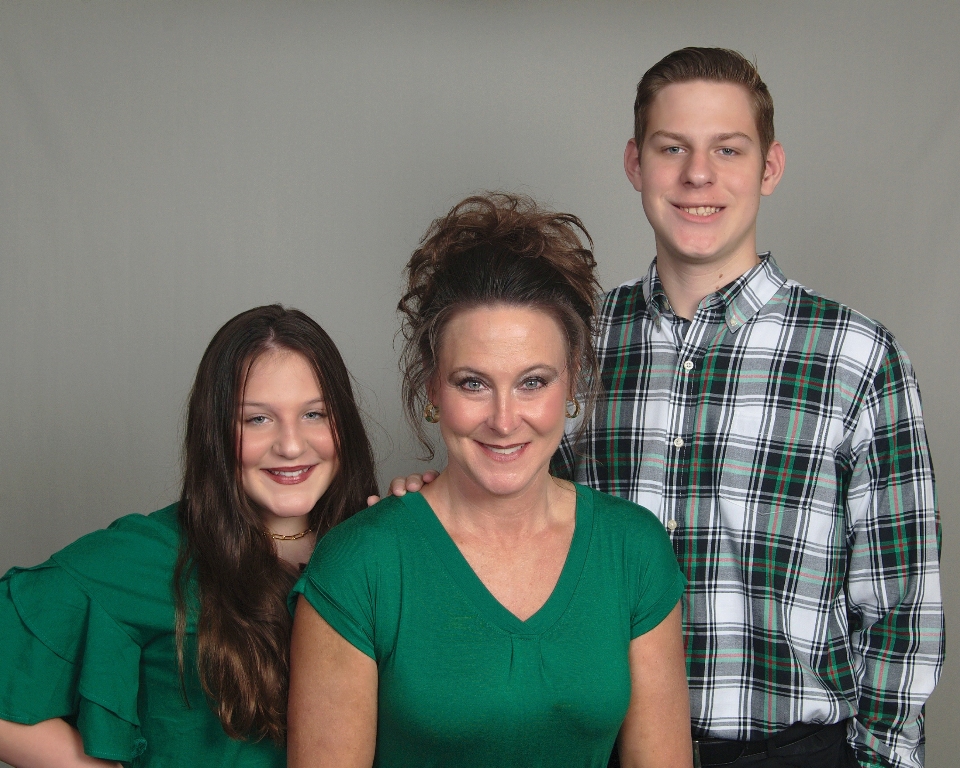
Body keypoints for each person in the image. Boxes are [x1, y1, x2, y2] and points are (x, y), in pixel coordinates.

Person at [393, 49, 944, 768]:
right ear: (635, 163)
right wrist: (436, 501)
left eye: (728, 149)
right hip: (606, 743)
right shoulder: (574, 342)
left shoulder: (857, 357)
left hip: (791, 750)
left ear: (770, 166)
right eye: (672, 148)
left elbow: (903, 605)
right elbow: (515, 507)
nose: (698, 176)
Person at [287, 193, 692, 768]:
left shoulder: (633, 549)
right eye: (473, 383)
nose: (504, 421)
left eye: (533, 382)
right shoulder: (360, 564)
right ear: (432, 386)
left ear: (573, 380)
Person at [0, 304, 378, 767]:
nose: (292, 445)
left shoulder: (378, 544)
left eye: (314, 414)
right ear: (214, 431)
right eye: (257, 419)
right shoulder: (151, 553)